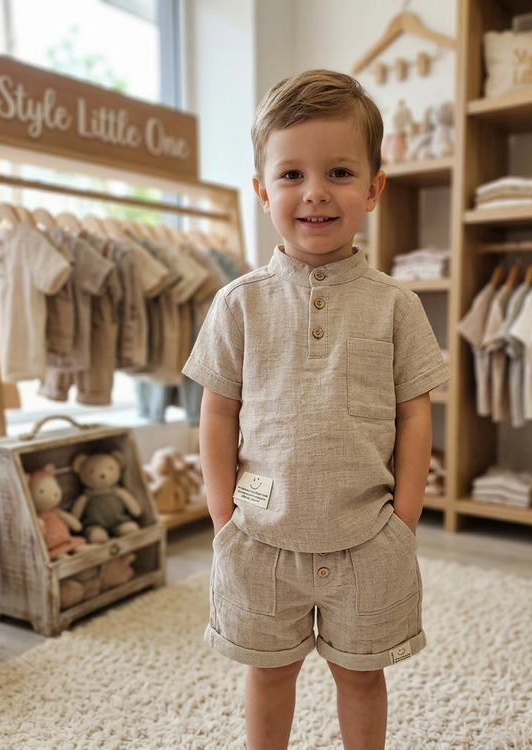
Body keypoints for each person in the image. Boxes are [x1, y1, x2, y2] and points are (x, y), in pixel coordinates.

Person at [182, 69, 451, 750]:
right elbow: (218, 413)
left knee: (360, 675)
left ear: (374, 187)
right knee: (269, 673)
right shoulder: (238, 303)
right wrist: (223, 518)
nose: (316, 192)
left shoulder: (397, 305)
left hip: (369, 540)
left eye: (339, 172)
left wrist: (404, 521)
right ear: (262, 190)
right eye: (292, 174)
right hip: (259, 539)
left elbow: (415, 415)